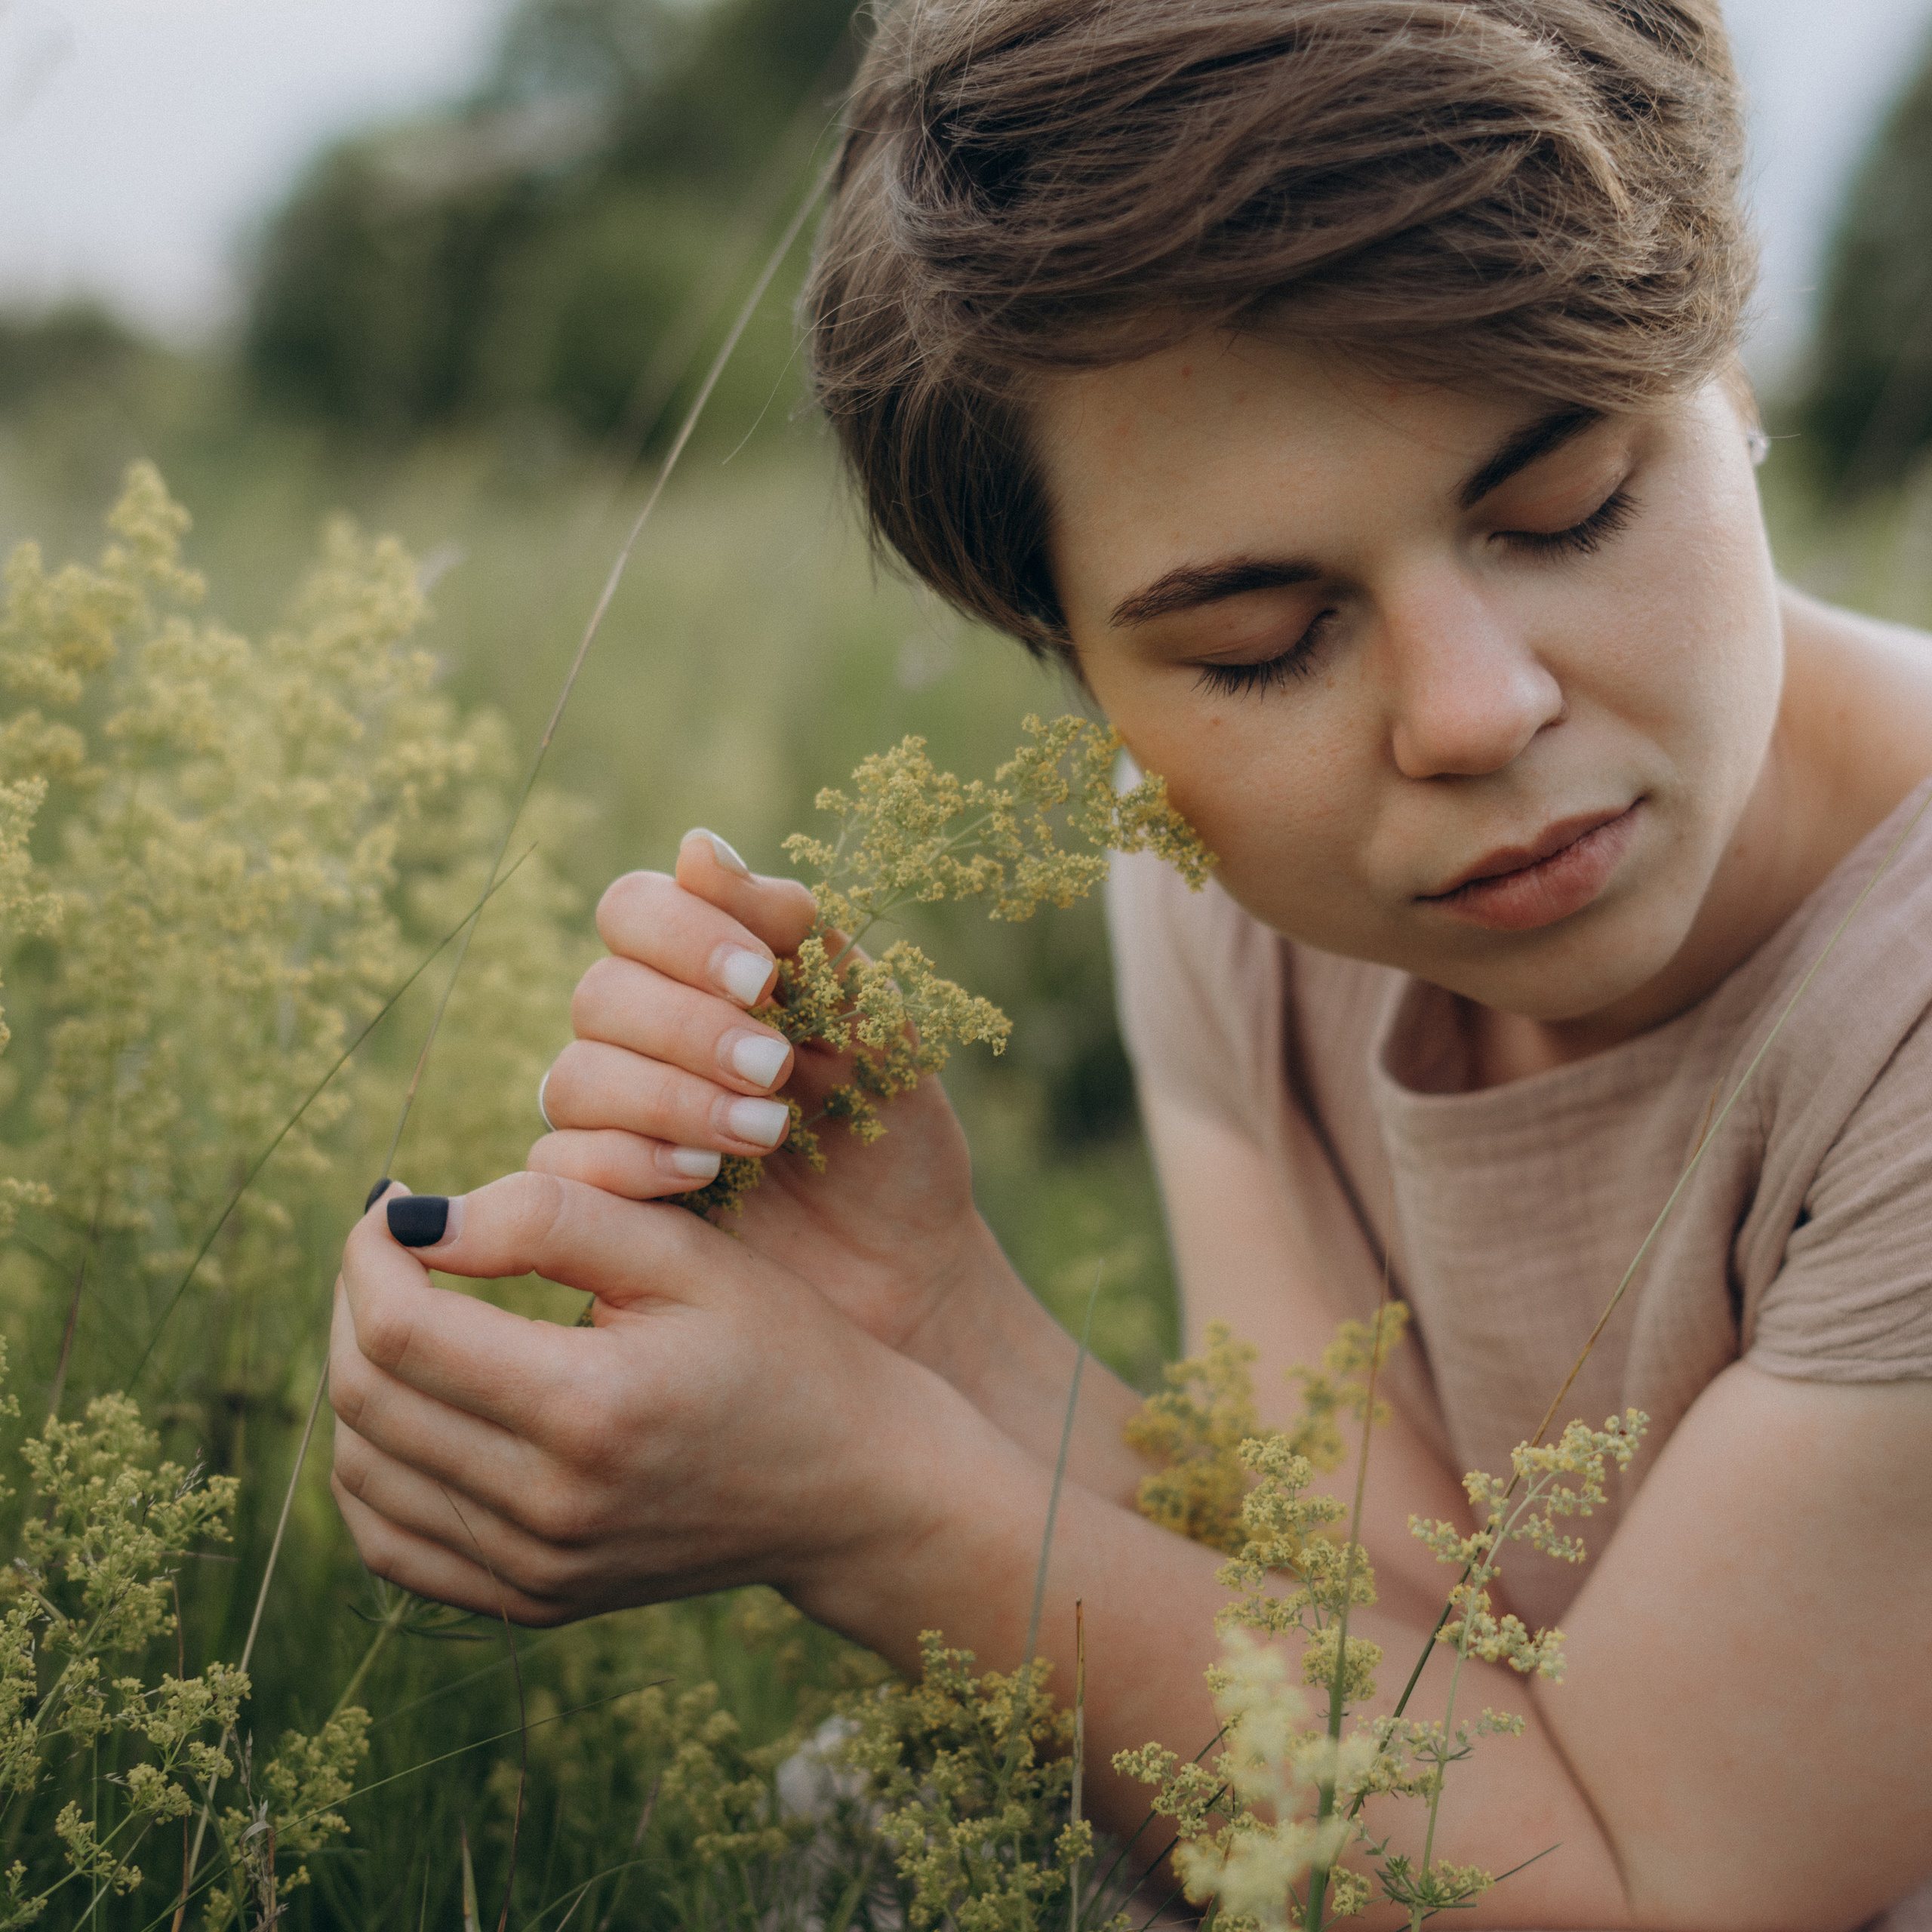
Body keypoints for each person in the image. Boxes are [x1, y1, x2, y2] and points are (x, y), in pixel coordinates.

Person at [327, 2, 1932, 1924]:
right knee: (901, 1815)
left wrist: (868, 1497)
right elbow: (1369, 1638)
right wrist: (933, 1320)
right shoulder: (1222, 886)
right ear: (1073, 654)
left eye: (1564, 504)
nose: (1474, 712)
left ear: (1727, 363)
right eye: (1260, 638)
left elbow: (1651, 1894)